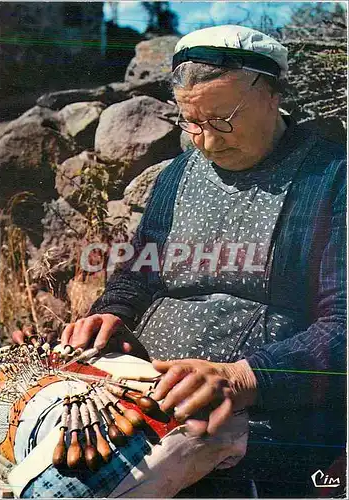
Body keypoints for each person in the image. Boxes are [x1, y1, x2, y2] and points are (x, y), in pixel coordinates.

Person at [17, 25, 347, 497]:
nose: (206, 143)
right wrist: (112, 314)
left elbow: (343, 325)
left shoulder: (332, 177)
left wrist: (241, 378)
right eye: (191, 122)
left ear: (273, 93)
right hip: (143, 386)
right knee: (21, 428)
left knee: (59, 489)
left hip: (254, 413)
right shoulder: (178, 174)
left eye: (222, 119)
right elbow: (140, 271)